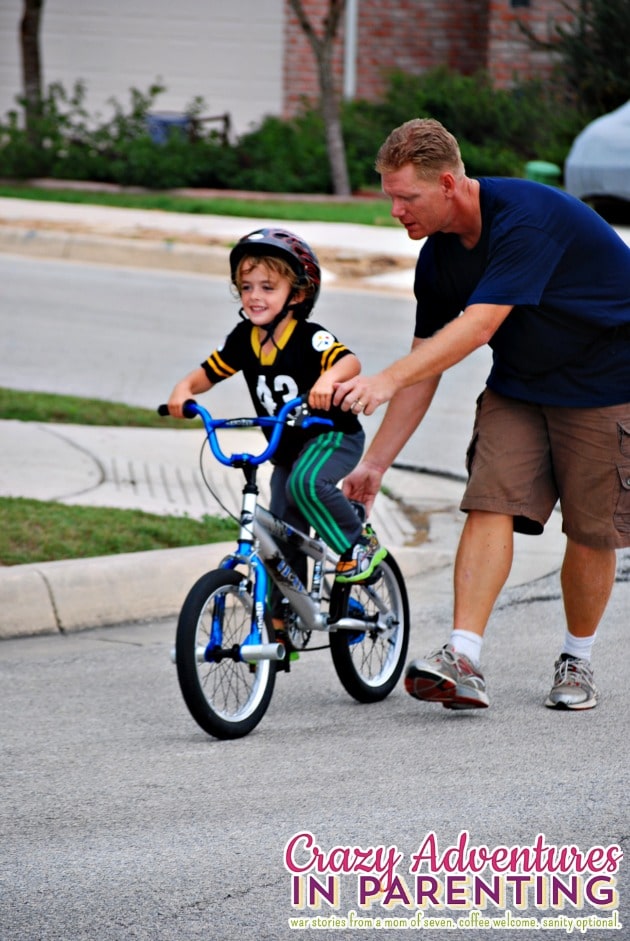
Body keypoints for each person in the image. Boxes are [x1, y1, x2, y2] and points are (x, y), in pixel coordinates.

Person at [333, 118, 630, 711]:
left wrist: (383, 379)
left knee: (591, 529)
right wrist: (375, 464)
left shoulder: (526, 217)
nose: (395, 211)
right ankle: (462, 657)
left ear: (447, 184)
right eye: (389, 196)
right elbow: (426, 366)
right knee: (490, 498)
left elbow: (478, 326)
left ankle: (577, 660)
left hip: (606, 380)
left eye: (405, 197)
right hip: (519, 384)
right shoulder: (439, 259)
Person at [167, 227, 386, 636]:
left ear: (298, 294)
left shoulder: (308, 336)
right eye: (246, 286)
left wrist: (327, 382)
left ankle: (359, 546)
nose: (254, 296)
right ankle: (290, 609)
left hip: (331, 436)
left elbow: (349, 362)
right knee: (283, 525)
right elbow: (207, 374)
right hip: (285, 447)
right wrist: (184, 390)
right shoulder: (243, 339)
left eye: (268, 286)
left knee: (306, 484)